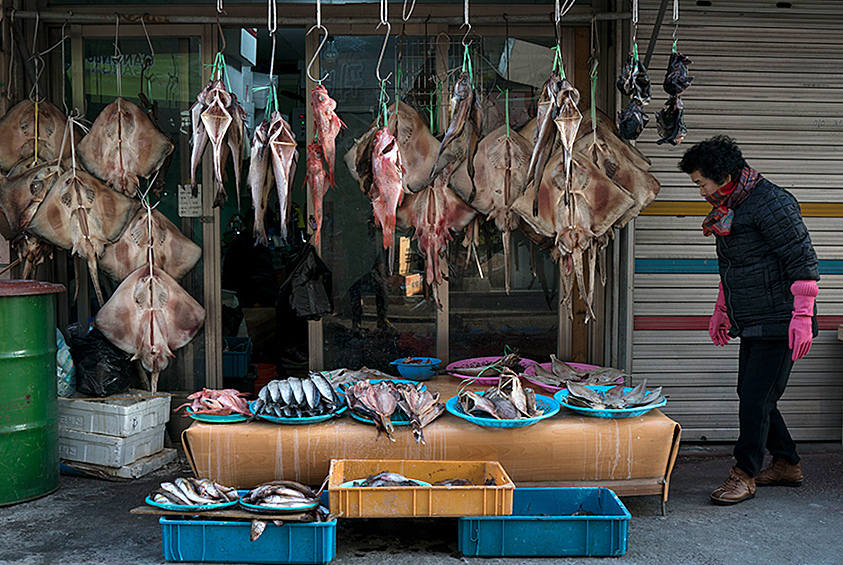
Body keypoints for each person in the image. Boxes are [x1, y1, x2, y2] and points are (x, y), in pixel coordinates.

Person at [678, 136, 819, 505]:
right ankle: (788, 463)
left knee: (755, 399)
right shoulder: (729, 207)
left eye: (700, 183)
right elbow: (733, 266)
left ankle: (744, 473)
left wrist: (803, 315)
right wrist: (722, 308)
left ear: (722, 175)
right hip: (753, 317)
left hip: (781, 318)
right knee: (756, 396)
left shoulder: (771, 202)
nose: (700, 190)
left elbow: (802, 258)